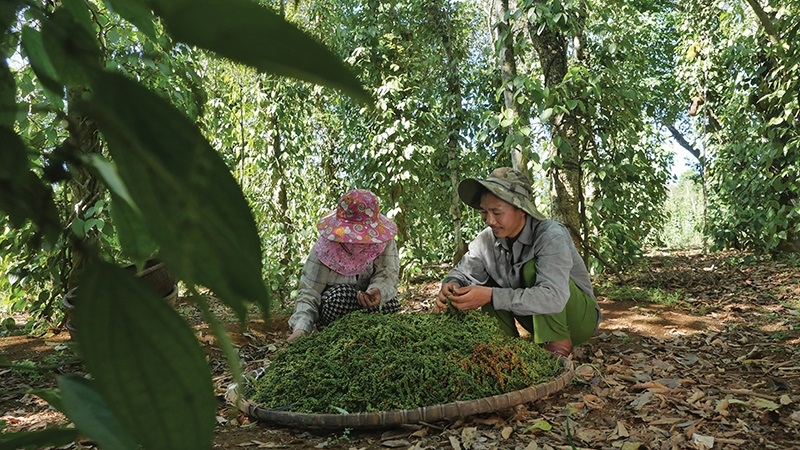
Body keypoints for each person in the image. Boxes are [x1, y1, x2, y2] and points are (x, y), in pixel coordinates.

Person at [434, 167, 601, 357]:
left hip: (576, 321)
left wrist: (492, 296)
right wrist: (452, 285)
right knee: (487, 282)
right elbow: (463, 272)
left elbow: (554, 297)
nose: (489, 220)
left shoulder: (549, 235)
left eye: (496, 212)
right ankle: (503, 349)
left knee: (528, 270)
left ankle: (558, 345)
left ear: (521, 209)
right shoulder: (486, 240)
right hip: (532, 319)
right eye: (484, 212)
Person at [287, 189, 400, 342]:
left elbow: (387, 273)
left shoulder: (383, 241)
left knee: (391, 303)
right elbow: (309, 293)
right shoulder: (326, 248)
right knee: (338, 297)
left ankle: (372, 337)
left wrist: (378, 291)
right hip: (336, 311)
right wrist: (301, 329)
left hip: (369, 308)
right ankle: (337, 338)